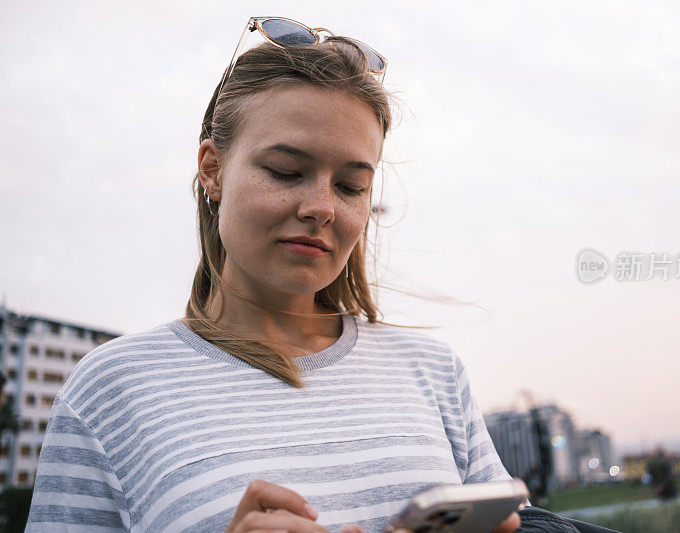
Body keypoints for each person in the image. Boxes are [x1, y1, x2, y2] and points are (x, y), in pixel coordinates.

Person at [24, 16, 529, 533]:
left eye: (351, 186)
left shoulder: (434, 373)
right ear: (212, 169)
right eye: (287, 172)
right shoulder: (110, 390)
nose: (321, 207)